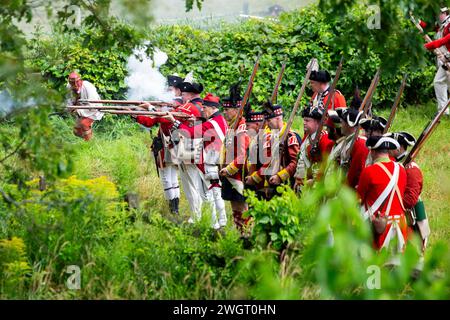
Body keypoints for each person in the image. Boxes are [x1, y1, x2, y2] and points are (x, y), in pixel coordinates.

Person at [136, 73, 204, 222]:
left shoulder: (188, 107)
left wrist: (149, 109)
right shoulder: (192, 105)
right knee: (189, 183)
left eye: (184, 92)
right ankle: (194, 216)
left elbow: (164, 118)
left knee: (191, 184)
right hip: (187, 145)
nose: (182, 95)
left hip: (187, 146)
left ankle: (197, 217)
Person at [166, 93, 228, 229]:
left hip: (207, 162)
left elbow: (190, 133)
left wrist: (174, 122)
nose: (203, 110)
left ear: (212, 108)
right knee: (216, 193)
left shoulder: (211, 123)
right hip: (215, 161)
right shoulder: (220, 120)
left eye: (204, 108)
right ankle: (222, 221)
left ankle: (213, 225)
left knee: (207, 195)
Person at [134, 75, 183, 215]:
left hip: (172, 145)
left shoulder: (178, 105)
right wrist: (135, 114)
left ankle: (174, 209)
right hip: (167, 145)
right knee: (170, 178)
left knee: (168, 178)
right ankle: (174, 208)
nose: (168, 91)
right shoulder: (169, 104)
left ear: (178, 91)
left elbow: (166, 120)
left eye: (170, 89)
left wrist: (151, 108)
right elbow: (151, 122)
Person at [357, 135, 407, 254]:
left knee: (373, 265)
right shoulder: (401, 169)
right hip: (400, 224)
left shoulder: (369, 171)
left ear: (372, 151)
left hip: (378, 225)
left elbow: (358, 198)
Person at [386, 132, 430, 252]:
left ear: (398, 148)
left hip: (409, 219)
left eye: (390, 145)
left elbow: (410, 199)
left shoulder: (411, 168)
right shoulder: (398, 164)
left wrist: (389, 205)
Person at [246, 103, 300, 200]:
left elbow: (295, 162)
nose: (267, 123)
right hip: (273, 184)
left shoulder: (290, 136)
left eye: (269, 120)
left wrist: (280, 176)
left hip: (286, 184)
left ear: (278, 119)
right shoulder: (273, 137)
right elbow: (268, 162)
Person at [219, 83, 250, 234]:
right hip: (229, 173)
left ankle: (247, 234)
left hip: (238, 174)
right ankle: (240, 232)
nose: (224, 112)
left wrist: (229, 169)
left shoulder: (241, 127)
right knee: (234, 206)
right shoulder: (232, 125)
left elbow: (242, 155)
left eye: (227, 109)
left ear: (237, 110)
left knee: (242, 207)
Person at [294, 105, 334, 191]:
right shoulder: (307, 138)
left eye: (307, 120)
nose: (304, 122)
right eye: (304, 120)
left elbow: (327, 165)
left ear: (317, 122)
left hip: (317, 185)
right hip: (305, 183)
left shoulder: (324, 139)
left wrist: (315, 181)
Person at [423, 7, 450, 116]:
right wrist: (417, 21)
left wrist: (425, 46)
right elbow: (429, 27)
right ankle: (444, 111)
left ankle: (443, 111)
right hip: (445, 58)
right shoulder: (442, 24)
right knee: (442, 82)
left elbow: (444, 41)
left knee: (439, 82)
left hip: (448, 57)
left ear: (443, 13)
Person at [336, 108, 369, 189]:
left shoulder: (360, 143)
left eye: (342, 122)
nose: (341, 125)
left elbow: (358, 171)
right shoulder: (347, 141)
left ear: (349, 124)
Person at [66, 71, 103, 141]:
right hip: (80, 109)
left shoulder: (88, 87)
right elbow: (69, 100)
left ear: (80, 80)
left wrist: (78, 110)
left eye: (77, 82)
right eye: (72, 83)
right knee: (76, 132)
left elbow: (93, 104)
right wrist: (71, 108)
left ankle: (89, 144)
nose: (75, 85)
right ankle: (90, 139)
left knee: (84, 124)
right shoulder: (68, 87)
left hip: (93, 109)